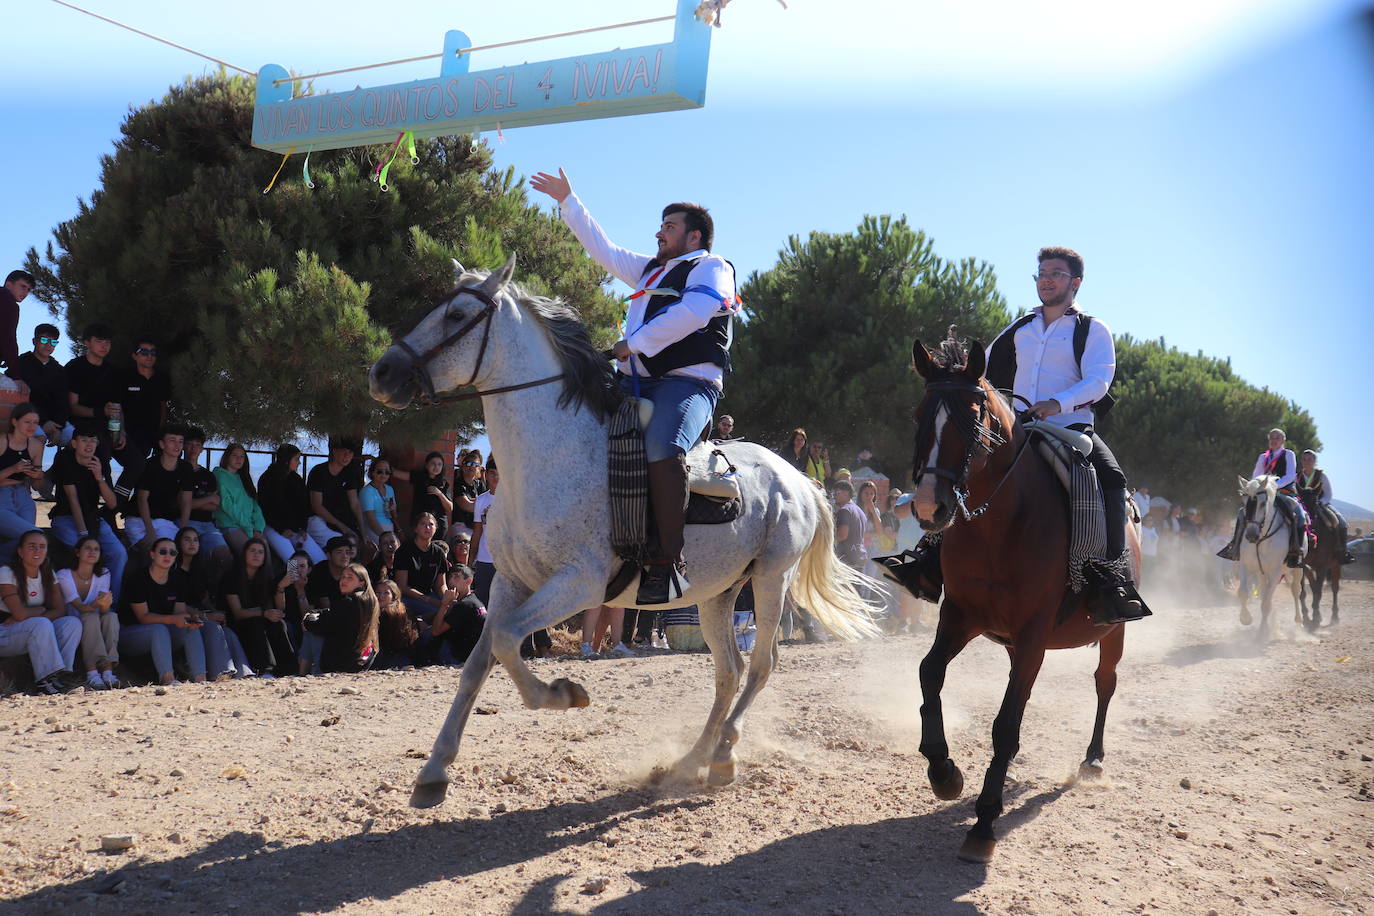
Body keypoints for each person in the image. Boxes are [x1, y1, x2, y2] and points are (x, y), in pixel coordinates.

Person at [532, 168, 739, 604]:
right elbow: (604, 251)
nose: (659, 234)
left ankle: (668, 562)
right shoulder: (648, 270)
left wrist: (633, 344)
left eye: (670, 227)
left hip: (688, 384)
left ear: (695, 237)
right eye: (661, 226)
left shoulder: (712, 267)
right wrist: (569, 201)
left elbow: (696, 313)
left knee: (663, 448)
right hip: (634, 383)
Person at [981, 246, 1147, 622]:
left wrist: (1057, 403)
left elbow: (1099, 381)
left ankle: (1111, 581)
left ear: (1075, 282)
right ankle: (929, 558)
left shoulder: (1091, 328)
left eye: (1055, 273)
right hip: (1018, 432)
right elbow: (982, 368)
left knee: (1112, 480)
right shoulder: (1019, 328)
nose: (1046, 279)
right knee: (964, 468)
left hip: (1070, 429)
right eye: (1041, 272)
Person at [45, 421, 128, 598]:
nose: (89, 445)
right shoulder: (64, 459)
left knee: (119, 553)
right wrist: (84, 536)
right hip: (65, 517)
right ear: (74, 443)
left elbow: (112, 503)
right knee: (80, 551)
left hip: (93, 518)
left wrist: (99, 478)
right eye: (84, 440)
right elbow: (72, 499)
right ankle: (75, 602)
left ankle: (110, 603)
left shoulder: (99, 462)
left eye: (93, 441)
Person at [0, 530, 82, 694]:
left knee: (72, 623)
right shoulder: (6, 572)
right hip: (4, 632)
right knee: (41, 624)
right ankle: (45, 682)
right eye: (32, 547)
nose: (37, 551)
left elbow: (60, 610)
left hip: (27, 629)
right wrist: (40, 610)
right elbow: (19, 615)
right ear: (20, 551)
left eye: (42, 547)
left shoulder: (47, 573)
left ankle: (62, 677)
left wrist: (33, 615)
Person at [118, 537, 207, 685]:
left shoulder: (178, 579)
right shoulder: (138, 579)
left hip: (163, 634)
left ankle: (200, 680)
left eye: (172, 552)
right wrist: (173, 620)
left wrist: (188, 620)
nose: (168, 555)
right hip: (129, 635)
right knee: (158, 629)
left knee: (190, 629)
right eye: (163, 551)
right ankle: (168, 680)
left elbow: (177, 615)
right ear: (152, 554)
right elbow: (143, 618)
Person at [1217, 428, 1308, 568]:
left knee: (1300, 516)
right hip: (1262, 494)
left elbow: (1290, 476)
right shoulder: (1263, 457)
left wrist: (1272, 487)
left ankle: (1296, 552)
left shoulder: (1288, 454)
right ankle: (1234, 547)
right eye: (1271, 438)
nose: (1274, 440)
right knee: (1242, 512)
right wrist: (1254, 487)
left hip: (1284, 492)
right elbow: (1256, 476)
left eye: (1277, 438)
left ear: (1283, 440)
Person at [175, 525, 252, 680]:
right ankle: (222, 672)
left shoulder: (200, 569)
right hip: (183, 618)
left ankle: (244, 672)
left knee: (228, 632)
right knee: (212, 628)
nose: (192, 543)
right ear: (178, 543)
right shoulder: (173, 571)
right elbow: (178, 605)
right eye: (187, 540)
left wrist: (215, 613)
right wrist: (206, 616)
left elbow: (203, 600)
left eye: (196, 540)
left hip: (202, 614)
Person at [219, 537, 295, 677]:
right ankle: (265, 669)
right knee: (257, 623)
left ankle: (289, 670)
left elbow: (280, 608)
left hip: (261, 617)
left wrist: (281, 587)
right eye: (252, 551)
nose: (256, 555)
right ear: (244, 554)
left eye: (260, 552)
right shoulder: (232, 577)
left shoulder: (266, 577)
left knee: (278, 623)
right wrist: (264, 613)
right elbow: (237, 613)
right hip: (237, 623)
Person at [56, 534, 120, 689]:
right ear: (77, 552)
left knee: (111, 616)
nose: (92, 552)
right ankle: (92, 673)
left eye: (96, 549)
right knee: (90, 616)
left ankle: (107, 671)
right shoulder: (64, 574)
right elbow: (80, 607)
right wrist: (98, 603)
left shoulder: (104, 573)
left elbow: (103, 609)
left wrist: (105, 604)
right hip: (73, 621)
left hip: (95, 618)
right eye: (88, 548)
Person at [112, 336, 171, 502]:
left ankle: (125, 510)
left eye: (153, 352)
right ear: (135, 356)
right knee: (136, 467)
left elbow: (163, 407)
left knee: (141, 471)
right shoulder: (124, 377)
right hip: (126, 435)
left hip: (149, 436)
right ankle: (113, 509)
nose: (149, 356)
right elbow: (116, 407)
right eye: (144, 352)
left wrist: (162, 434)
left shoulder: (162, 379)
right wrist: (118, 433)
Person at [125, 424, 193, 549]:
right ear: (162, 444)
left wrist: (183, 529)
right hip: (138, 518)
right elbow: (142, 499)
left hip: (164, 521)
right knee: (152, 548)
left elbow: (186, 501)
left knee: (177, 549)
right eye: (172, 441)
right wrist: (150, 530)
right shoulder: (150, 465)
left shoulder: (186, 468)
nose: (177, 446)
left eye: (180, 441)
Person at [302, 561, 378, 673]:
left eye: (350, 577)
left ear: (362, 583)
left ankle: (303, 673)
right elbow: (331, 614)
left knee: (310, 633)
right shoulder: (370, 601)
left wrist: (306, 621)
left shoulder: (349, 602)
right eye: (342, 577)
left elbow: (324, 626)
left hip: (343, 663)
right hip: (363, 660)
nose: (344, 580)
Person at [257, 444, 325, 566]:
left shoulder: (296, 479)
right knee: (292, 563)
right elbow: (265, 508)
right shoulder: (267, 479)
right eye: (296, 459)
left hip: (296, 530)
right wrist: (281, 529)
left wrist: (303, 528)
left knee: (320, 560)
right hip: (274, 527)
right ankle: (291, 583)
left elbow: (304, 507)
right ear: (286, 460)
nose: (299, 463)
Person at [63, 322, 123, 463]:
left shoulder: (112, 371)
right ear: (87, 343)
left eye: (107, 342)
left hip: (109, 427)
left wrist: (121, 432)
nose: (104, 346)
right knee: (100, 461)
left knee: (136, 462)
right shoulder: (75, 368)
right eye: (99, 341)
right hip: (80, 427)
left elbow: (117, 407)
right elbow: (72, 407)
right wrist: (101, 412)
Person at [182, 429, 233, 574]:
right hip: (192, 522)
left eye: (197, 445)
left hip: (296, 534)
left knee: (228, 557)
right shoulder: (180, 470)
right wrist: (209, 499)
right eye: (190, 444)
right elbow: (182, 504)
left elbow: (214, 504)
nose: (193, 448)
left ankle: (291, 589)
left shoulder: (245, 483)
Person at [307, 438, 366, 556]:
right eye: (344, 452)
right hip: (316, 522)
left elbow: (354, 503)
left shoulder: (349, 473)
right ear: (334, 451)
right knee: (340, 547)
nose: (347, 456)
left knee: (353, 547)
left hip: (339, 521)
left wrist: (363, 531)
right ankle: (292, 574)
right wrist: (342, 527)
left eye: (350, 453)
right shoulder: (318, 472)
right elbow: (316, 506)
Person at [1295, 449, 1355, 564]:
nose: (1306, 462)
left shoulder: (1321, 476)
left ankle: (1342, 551)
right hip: (1301, 506)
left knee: (1342, 523)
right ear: (1301, 461)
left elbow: (1328, 494)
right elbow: (1294, 493)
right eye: (1304, 459)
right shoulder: (1296, 477)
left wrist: (1320, 502)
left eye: (1309, 459)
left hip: (1320, 504)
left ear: (1314, 461)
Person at [0, 403, 45, 553]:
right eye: (27, 422)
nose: (32, 426)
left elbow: (38, 486)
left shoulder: (36, 446)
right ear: (14, 422)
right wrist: (13, 469)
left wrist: (38, 476)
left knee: (27, 544)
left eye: (35, 422)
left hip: (23, 495)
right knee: (35, 537)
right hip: (2, 496)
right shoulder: (2, 442)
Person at [14, 324, 69, 444]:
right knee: (38, 439)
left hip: (55, 422)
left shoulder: (59, 370)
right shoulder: (20, 365)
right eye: (44, 340)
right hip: (28, 418)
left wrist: (58, 426)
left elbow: (63, 400)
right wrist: (43, 422)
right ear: (34, 341)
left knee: (78, 438)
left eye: (53, 342)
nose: (48, 345)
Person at [394, 512, 449, 620]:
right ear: (415, 529)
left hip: (431, 596)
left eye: (431, 524)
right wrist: (429, 601)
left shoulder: (439, 553)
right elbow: (402, 587)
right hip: (408, 598)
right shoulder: (404, 551)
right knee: (438, 613)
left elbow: (441, 585)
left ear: (436, 528)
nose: (427, 527)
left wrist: (446, 600)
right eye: (423, 524)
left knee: (451, 611)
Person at [431, 564, 486, 665]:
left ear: (468, 581)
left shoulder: (464, 605)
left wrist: (444, 604)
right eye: (450, 577)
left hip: (461, 656)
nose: (451, 581)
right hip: (477, 654)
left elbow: (435, 631)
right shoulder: (474, 601)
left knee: (426, 636)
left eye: (456, 577)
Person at [0, 270, 35, 391]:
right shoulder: (8, 301)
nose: (25, 293)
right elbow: (8, 339)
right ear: (9, 284)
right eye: (23, 287)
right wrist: (16, 376)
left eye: (28, 290)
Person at [410, 451, 453, 540]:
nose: (436, 467)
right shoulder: (419, 477)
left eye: (439, 464)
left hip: (439, 525)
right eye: (433, 464)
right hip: (421, 523)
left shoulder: (444, 484)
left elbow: (450, 508)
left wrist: (439, 493)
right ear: (426, 465)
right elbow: (398, 474)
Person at [359, 456, 398, 546]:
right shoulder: (367, 492)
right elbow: (370, 519)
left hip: (389, 530)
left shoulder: (390, 489)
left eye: (387, 472)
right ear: (372, 472)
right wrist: (385, 537)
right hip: (373, 531)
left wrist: (393, 510)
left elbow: (394, 516)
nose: (383, 474)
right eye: (379, 471)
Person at [832, 481, 868, 571]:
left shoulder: (844, 510)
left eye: (837, 493)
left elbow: (842, 535)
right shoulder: (859, 510)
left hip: (847, 559)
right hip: (859, 557)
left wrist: (827, 537)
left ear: (846, 493)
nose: (834, 496)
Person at [450, 450, 486, 536]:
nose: (471, 467)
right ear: (462, 466)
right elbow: (468, 506)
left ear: (479, 469)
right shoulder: (458, 483)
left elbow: (488, 503)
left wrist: (475, 501)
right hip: (460, 526)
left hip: (476, 526)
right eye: (468, 463)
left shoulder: (480, 484)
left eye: (475, 465)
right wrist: (480, 502)